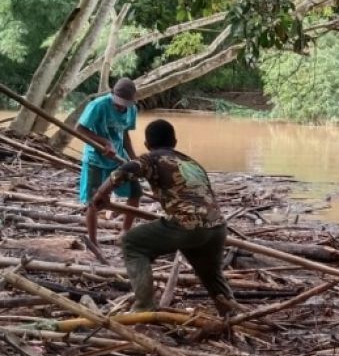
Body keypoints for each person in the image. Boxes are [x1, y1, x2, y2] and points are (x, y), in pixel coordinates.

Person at [85, 119, 239, 317]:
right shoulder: (191, 162)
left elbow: (123, 171)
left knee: (131, 242)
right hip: (217, 227)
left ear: (147, 145)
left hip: (187, 225)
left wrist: (100, 195)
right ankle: (230, 313)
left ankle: (144, 307)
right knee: (210, 274)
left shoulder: (152, 158)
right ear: (174, 142)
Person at [76, 77, 142, 231]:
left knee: (135, 193)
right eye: (117, 105)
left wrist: (133, 158)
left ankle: (125, 232)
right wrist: (104, 142)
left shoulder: (132, 109)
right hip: (96, 160)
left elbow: (125, 134)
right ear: (112, 95)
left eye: (123, 106)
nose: (120, 108)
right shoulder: (98, 105)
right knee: (94, 201)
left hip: (118, 159)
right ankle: (93, 240)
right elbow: (79, 129)